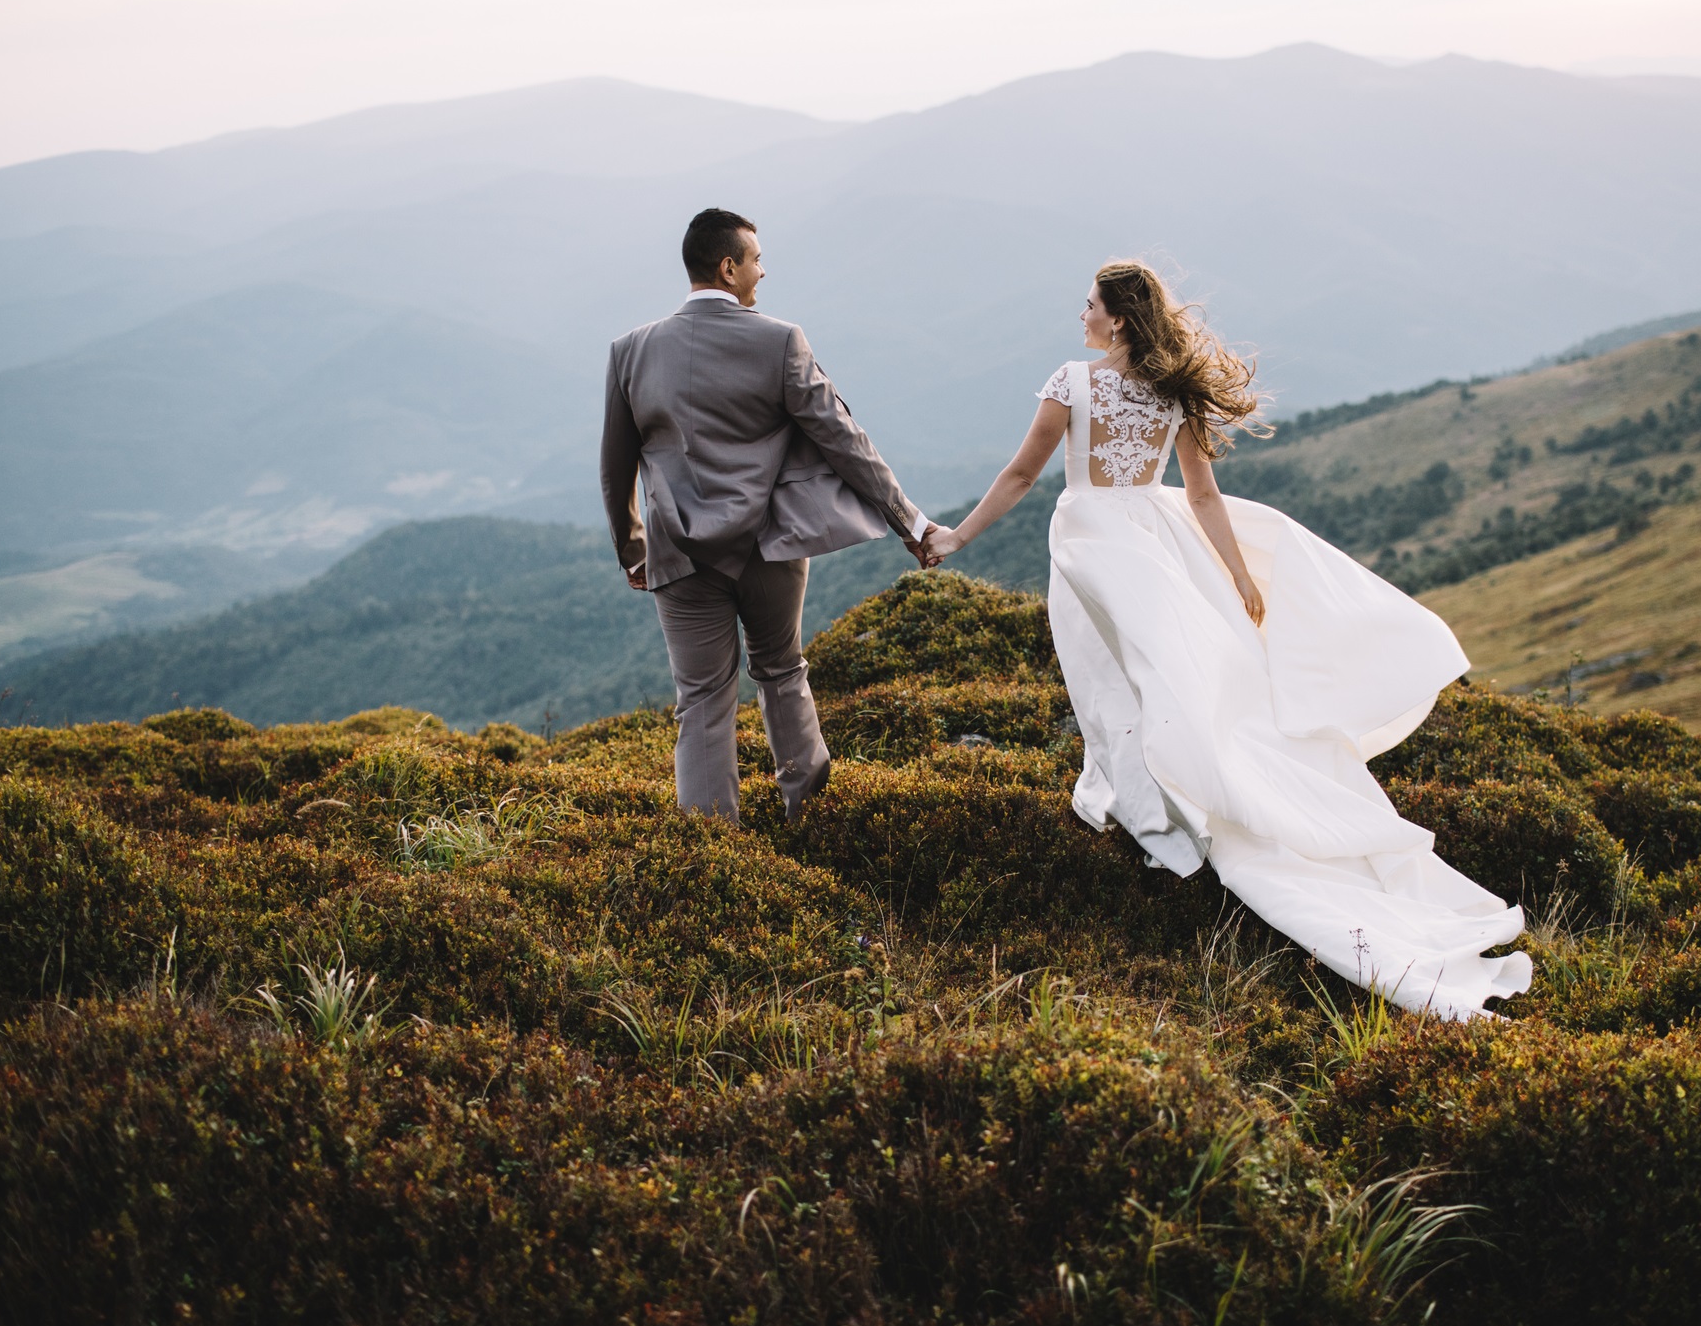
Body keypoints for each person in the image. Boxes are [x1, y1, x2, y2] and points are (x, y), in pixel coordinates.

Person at [929, 261, 1531, 1019]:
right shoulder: (1172, 389)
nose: (1079, 314)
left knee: (1114, 680)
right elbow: (1203, 493)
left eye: (1088, 304)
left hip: (1090, 541)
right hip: (1152, 538)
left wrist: (956, 537)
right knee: (1164, 678)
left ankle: (1160, 826)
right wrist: (1237, 577)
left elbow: (1021, 475)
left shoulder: (1070, 383)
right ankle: (1163, 811)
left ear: (1115, 318)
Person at [601, 208, 941, 824]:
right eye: (756, 259)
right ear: (729, 268)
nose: (764, 269)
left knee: (701, 699)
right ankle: (807, 818)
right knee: (782, 671)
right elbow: (845, 439)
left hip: (678, 554)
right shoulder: (780, 340)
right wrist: (910, 523)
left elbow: (615, 465)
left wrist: (633, 549)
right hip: (771, 548)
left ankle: (713, 853)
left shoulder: (630, 351)